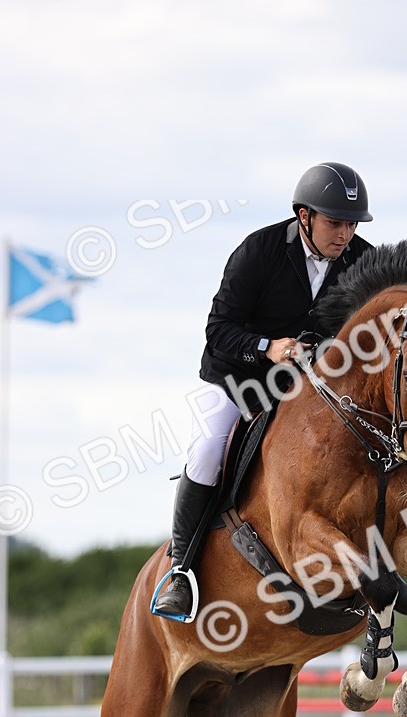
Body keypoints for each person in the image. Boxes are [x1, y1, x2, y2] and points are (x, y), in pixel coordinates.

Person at [152, 162, 374, 620]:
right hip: (239, 378)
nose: (345, 234)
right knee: (207, 451)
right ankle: (181, 570)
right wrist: (266, 347)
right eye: (335, 222)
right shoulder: (259, 251)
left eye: (352, 224)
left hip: (309, 388)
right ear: (304, 216)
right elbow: (218, 329)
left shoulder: (363, 262)